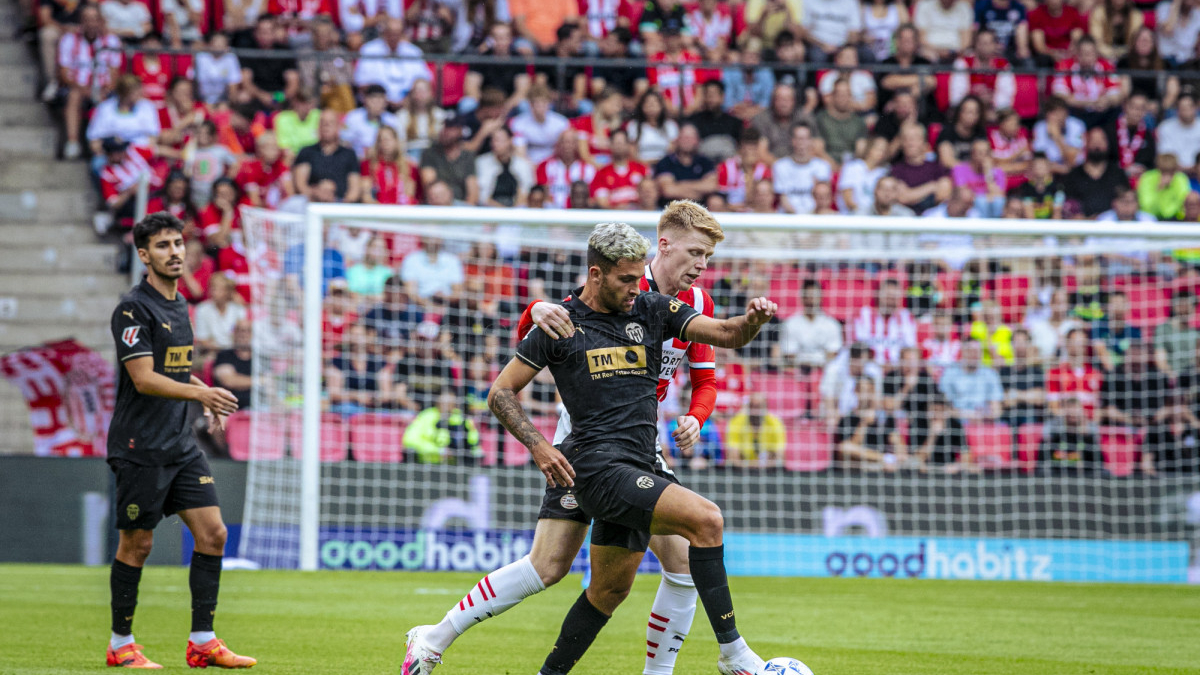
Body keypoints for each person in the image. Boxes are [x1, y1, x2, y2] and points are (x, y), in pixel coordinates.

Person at [403, 204, 764, 675]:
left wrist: (697, 416)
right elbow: (543, 337)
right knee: (558, 566)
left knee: (602, 573)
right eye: (696, 252)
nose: (702, 265)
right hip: (583, 440)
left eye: (709, 256)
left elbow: (708, 375)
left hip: (640, 443)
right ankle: (434, 638)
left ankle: (435, 637)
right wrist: (536, 309)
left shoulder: (687, 305)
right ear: (664, 245)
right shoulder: (618, 287)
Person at [106, 213, 254, 669]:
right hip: (141, 445)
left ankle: (203, 641)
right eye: (163, 245)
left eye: (178, 243)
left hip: (179, 443)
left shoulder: (180, 305)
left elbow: (172, 372)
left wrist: (202, 398)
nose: (174, 251)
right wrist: (201, 391)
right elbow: (145, 378)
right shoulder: (133, 308)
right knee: (138, 545)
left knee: (214, 534)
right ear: (144, 254)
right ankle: (120, 645)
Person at [354, 17, 432, 105]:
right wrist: (384, 100)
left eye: (397, 34)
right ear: (384, 33)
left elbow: (425, 80)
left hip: (409, 105)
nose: (394, 37)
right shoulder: (369, 50)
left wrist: (407, 100)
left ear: (402, 34)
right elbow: (361, 83)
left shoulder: (413, 51)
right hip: (378, 105)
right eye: (391, 33)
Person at [835, 377, 906, 471]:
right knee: (845, 447)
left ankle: (886, 463)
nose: (865, 395)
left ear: (873, 392)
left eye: (869, 390)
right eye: (862, 390)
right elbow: (849, 448)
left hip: (878, 463)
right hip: (858, 464)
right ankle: (885, 460)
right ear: (855, 391)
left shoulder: (883, 417)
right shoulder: (848, 419)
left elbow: (897, 443)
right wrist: (864, 423)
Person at [293, 110, 362, 203]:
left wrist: (341, 205)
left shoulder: (349, 154)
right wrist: (316, 193)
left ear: (338, 127)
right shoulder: (307, 152)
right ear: (318, 127)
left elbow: (354, 188)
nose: (326, 126)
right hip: (311, 203)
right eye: (323, 123)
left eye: (331, 123)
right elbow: (300, 185)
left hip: (340, 204)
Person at [1061, 127, 1131, 217]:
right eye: (1093, 140)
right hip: (1081, 228)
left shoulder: (1118, 174)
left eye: (1101, 140)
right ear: (1086, 144)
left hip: (1113, 226)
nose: (1097, 145)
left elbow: (1127, 201)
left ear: (1108, 144)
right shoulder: (1073, 175)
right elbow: (1068, 206)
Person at [403, 389, 483, 464]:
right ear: (438, 402)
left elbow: (474, 442)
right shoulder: (426, 416)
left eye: (450, 403)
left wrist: (459, 452)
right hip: (428, 464)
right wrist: (438, 451)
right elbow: (410, 440)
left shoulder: (462, 418)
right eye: (444, 403)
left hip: (457, 465)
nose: (447, 406)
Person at [780, 279, 842, 370]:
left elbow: (833, 353)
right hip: (798, 372)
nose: (811, 300)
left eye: (814, 296)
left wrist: (812, 363)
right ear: (802, 298)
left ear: (821, 297)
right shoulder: (790, 324)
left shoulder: (832, 324)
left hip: (825, 373)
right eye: (808, 296)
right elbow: (790, 354)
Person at [890, 123, 952, 214]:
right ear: (901, 143)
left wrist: (913, 194)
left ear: (924, 142)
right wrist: (932, 187)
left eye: (914, 138)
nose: (910, 143)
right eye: (906, 138)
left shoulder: (937, 168)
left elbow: (943, 194)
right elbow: (903, 197)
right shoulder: (896, 170)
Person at [772, 122, 833, 214]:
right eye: (798, 138)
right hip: (789, 218)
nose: (801, 143)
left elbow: (824, 200)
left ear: (811, 141)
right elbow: (783, 199)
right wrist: (799, 218)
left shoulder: (823, 166)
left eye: (805, 139)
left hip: (815, 218)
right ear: (792, 141)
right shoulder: (780, 166)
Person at [939, 339, 1004, 422]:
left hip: (984, 423)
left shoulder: (990, 374)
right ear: (963, 352)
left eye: (977, 351)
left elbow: (997, 410)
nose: (974, 354)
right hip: (956, 423)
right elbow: (943, 409)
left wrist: (983, 416)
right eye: (970, 351)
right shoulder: (950, 373)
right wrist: (970, 415)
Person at [1046, 327, 1103, 420]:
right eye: (1075, 341)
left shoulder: (1096, 374)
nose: (1079, 344)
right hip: (1064, 426)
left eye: (1082, 341)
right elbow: (1054, 407)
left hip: (1089, 427)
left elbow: (1098, 410)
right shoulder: (1055, 373)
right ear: (1067, 344)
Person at [655, 124, 719, 204]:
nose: (687, 141)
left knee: (716, 201)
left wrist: (680, 185)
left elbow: (711, 187)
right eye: (684, 137)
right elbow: (668, 191)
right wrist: (699, 191)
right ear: (677, 140)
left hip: (701, 207)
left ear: (697, 141)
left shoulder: (705, 162)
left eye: (691, 138)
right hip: (672, 207)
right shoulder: (666, 162)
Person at [1038, 396, 1102, 475]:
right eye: (1070, 410)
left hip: (1084, 471)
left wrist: (1086, 435)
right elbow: (1044, 451)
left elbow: (1098, 460)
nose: (1073, 413)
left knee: (1103, 472)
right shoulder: (1053, 425)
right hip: (1057, 470)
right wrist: (1064, 431)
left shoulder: (1090, 427)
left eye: (1075, 410)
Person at [998, 328, 1046, 428]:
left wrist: (1014, 394)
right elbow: (1005, 401)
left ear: (1029, 344)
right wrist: (1028, 395)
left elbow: (1039, 399)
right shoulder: (1004, 371)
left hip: (1030, 417)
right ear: (1011, 345)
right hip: (1007, 417)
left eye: (1023, 342)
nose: (1020, 346)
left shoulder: (1036, 371)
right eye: (1016, 342)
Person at [590, 129, 649, 209]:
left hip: (639, 216)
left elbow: (649, 197)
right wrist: (621, 209)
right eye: (616, 143)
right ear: (610, 145)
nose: (619, 146)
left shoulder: (641, 169)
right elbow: (602, 203)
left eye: (622, 143)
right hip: (613, 219)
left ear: (628, 145)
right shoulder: (602, 173)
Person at [724, 392, 786, 469]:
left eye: (759, 407)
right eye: (753, 407)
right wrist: (755, 465)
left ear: (766, 408)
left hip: (767, 470)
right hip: (742, 470)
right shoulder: (736, 422)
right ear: (748, 408)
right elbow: (733, 459)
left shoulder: (775, 423)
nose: (756, 411)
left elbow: (780, 459)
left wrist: (753, 464)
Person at [1154, 291, 1200, 385]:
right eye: (1184, 306)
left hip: (1193, 377)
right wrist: (1170, 374)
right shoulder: (1163, 329)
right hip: (1171, 377)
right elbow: (1160, 359)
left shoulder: (1196, 333)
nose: (1188, 309)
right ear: (1175, 307)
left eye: (1191, 306)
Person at [1136, 153, 1190, 221]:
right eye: (1163, 171)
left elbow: (1183, 204)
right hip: (1151, 218)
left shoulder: (1181, 178)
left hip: (1176, 218)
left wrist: (1171, 186)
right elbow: (1146, 206)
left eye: (1171, 172)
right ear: (1158, 168)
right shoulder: (1147, 177)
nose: (1167, 176)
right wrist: (1159, 189)